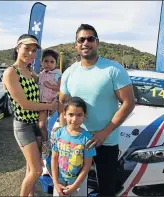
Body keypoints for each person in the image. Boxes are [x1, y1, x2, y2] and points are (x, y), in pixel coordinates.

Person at [58, 24, 135, 196]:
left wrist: (105, 132)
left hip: (105, 141)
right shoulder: (69, 72)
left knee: (107, 189)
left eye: (90, 38)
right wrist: (64, 132)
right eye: (81, 39)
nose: (86, 42)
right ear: (76, 45)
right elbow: (62, 103)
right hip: (76, 141)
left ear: (97, 42)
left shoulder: (113, 69)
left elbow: (129, 103)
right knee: (73, 186)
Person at [2, 34, 58, 197]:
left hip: (37, 123)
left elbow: (44, 85)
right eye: (27, 48)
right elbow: (25, 104)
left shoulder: (29, 70)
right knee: (37, 170)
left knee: (30, 167)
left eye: (34, 51)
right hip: (23, 126)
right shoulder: (11, 73)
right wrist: (50, 106)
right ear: (17, 48)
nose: (31, 54)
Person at [51, 96, 96, 196]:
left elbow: (87, 165)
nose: (74, 119)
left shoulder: (87, 138)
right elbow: (54, 158)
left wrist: (75, 185)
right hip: (60, 181)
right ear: (64, 114)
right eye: (71, 114)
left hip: (79, 183)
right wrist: (55, 182)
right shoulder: (58, 134)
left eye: (79, 115)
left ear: (85, 115)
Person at [38, 49, 62, 159]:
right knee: (42, 125)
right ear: (42, 62)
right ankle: (45, 143)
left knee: (53, 126)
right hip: (42, 103)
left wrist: (50, 86)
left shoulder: (57, 74)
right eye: (46, 61)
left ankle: (55, 147)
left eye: (52, 62)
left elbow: (63, 88)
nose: (49, 64)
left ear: (55, 64)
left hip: (54, 103)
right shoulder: (41, 74)